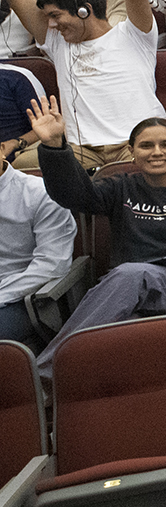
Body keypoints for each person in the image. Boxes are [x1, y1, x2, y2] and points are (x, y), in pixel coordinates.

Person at [27, 103, 166, 354]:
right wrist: (53, 146)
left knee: (130, 275)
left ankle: (47, 369)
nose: (157, 152)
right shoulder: (122, 186)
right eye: (146, 145)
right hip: (123, 290)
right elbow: (75, 196)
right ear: (131, 151)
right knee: (116, 342)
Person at [4, 0, 163, 171]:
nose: (50, 24)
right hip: (80, 150)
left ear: (84, 11)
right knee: (20, 168)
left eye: (56, 16)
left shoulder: (134, 34)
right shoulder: (57, 41)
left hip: (135, 145)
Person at [0, 131, 76, 347]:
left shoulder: (41, 193)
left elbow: (52, 265)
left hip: (19, 296)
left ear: (2, 150)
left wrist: (2, 295)